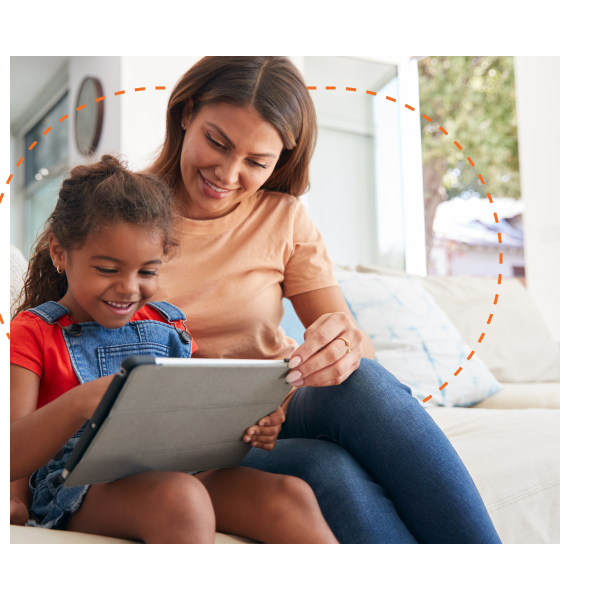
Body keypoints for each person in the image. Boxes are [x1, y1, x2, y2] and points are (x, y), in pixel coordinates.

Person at [147, 56, 502, 544]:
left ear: (281, 160)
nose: (228, 174)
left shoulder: (283, 217)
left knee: (363, 382)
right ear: (187, 113)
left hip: (277, 408)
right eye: (217, 141)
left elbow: (359, 354)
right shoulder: (124, 211)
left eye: (256, 162)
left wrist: (341, 345)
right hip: (185, 430)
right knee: (327, 467)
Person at [9, 155, 338, 544]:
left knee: (290, 496)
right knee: (182, 499)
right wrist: (80, 404)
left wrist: (254, 425)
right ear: (60, 252)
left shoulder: (168, 326)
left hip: (180, 469)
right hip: (77, 487)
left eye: (147, 271)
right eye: (109, 270)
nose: (130, 288)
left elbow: (208, 410)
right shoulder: (32, 332)